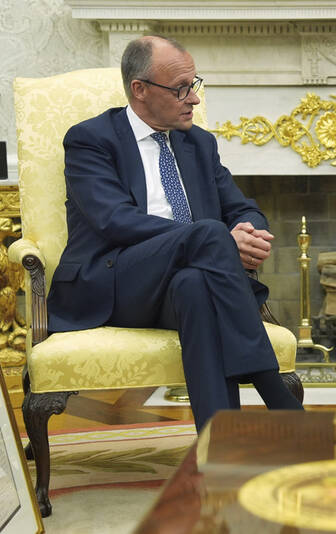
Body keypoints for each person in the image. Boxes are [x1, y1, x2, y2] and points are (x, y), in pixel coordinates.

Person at [49, 35, 303, 431]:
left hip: (182, 283)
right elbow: (115, 220)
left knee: (195, 286)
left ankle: (220, 445)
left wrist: (251, 233)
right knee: (209, 235)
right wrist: (218, 239)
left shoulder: (198, 143)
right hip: (114, 282)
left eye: (194, 84)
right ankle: (278, 398)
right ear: (140, 89)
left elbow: (242, 207)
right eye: (181, 88)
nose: (194, 99)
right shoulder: (91, 140)